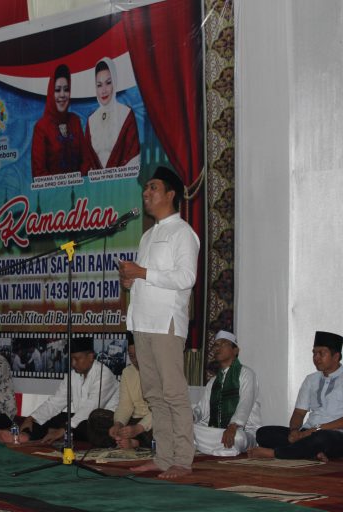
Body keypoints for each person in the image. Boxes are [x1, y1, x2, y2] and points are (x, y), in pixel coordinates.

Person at [118, 165, 199, 479]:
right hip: (142, 322)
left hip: (166, 323)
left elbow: (186, 277)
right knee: (153, 394)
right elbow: (147, 278)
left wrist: (142, 273)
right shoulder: (148, 235)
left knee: (173, 393)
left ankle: (183, 460)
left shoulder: (183, 233)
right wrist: (131, 281)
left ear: (170, 194)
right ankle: (163, 457)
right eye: (146, 187)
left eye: (153, 187)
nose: (146, 193)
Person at [250, 331, 343, 462]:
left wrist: (315, 430)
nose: (316, 358)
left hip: (340, 436)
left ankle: (275, 453)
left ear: (336, 356)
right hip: (308, 433)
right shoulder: (311, 380)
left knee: (321, 438)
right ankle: (311, 453)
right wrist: (294, 431)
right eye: (314, 353)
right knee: (263, 433)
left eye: (321, 353)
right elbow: (299, 413)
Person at [0, 338, 119, 446]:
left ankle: (61, 432)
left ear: (91, 357)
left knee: (81, 425)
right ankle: (25, 435)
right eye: (71, 359)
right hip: (79, 418)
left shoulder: (104, 375)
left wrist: (63, 429)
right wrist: (32, 417)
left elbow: (90, 409)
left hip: (102, 423)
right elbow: (56, 402)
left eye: (77, 359)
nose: (73, 364)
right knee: (52, 418)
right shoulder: (73, 375)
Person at [192, 330, 261, 456]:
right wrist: (192, 416)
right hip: (217, 432)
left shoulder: (247, 374)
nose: (217, 348)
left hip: (242, 431)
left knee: (238, 438)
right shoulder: (213, 382)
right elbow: (202, 409)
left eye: (223, 343)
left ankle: (211, 447)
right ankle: (220, 448)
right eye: (216, 345)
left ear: (235, 350)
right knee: (186, 428)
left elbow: (245, 404)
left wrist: (233, 426)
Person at [31, 64, 90, 178]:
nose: (62, 95)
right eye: (57, 90)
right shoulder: (41, 127)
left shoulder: (75, 121)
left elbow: (86, 161)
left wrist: (78, 182)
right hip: (53, 189)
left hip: (79, 187)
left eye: (66, 89)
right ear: (51, 93)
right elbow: (39, 173)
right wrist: (63, 185)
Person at [85, 57, 140, 170]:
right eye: (99, 85)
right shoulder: (91, 120)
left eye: (108, 83)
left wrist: (115, 179)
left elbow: (133, 156)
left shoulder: (126, 114)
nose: (103, 90)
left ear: (114, 82)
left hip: (123, 180)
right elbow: (86, 160)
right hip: (95, 181)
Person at [105, 332, 153, 449]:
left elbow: (161, 409)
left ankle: (136, 442)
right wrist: (119, 424)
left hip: (153, 422)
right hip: (133, 420)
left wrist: (138, 428)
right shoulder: (127, 372)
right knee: (96, 418)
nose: (135, 360)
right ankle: (126, 439)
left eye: (138, 355)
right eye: (132, 356)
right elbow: (125, 405)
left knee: (166, 425)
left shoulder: (159, 371)